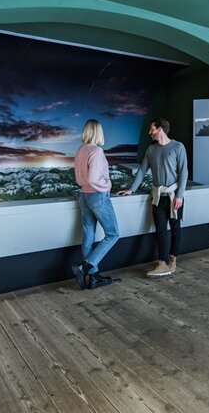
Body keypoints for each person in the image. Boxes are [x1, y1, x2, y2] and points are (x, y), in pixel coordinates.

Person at [118, 117, 188, 277]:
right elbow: (142, 171)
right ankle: (162, 262)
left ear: (160, 129)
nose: (150, 132)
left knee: (176, 230)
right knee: (161, 231)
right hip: (157, 196)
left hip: (174, 196)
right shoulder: (151, 150)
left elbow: (184, 172)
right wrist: (131, 189)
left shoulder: (178, 147)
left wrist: (180, 196)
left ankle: (173, 259)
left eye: (152, 129)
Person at [72, 119, 121, 290]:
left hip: (84, 195)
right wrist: (107, 185)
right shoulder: (96, 151)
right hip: (98, 196)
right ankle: (85, 267)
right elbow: (94, 179)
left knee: (89, 236)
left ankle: (92, 277)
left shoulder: (80, 150)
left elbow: (80, 179)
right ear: (98, 132)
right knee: (113, 234)